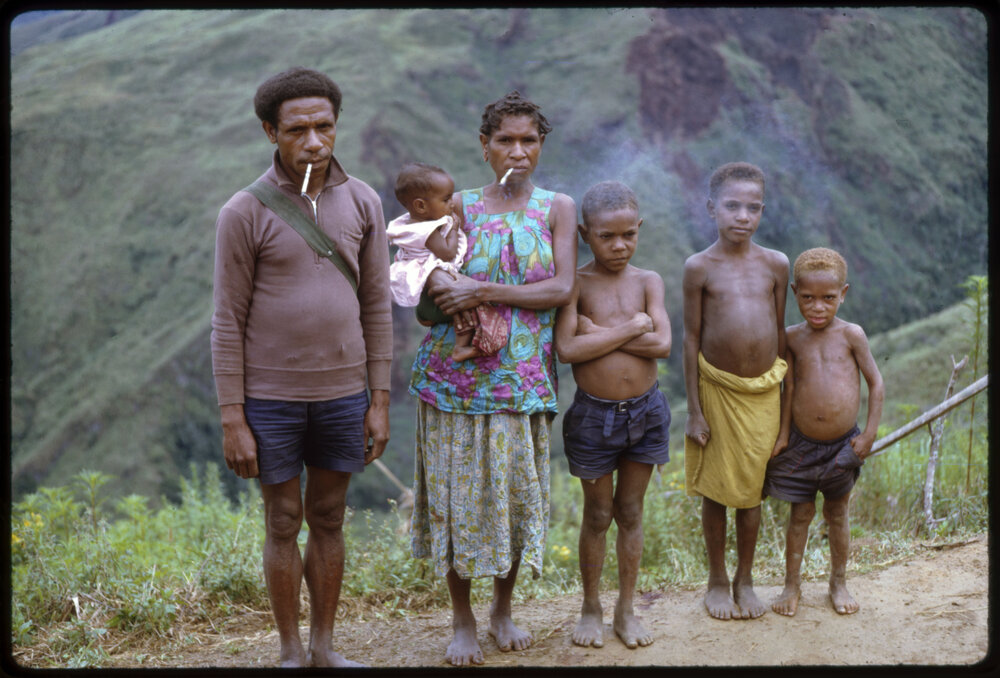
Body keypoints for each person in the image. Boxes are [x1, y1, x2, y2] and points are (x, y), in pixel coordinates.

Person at [210, 67, 392, 668]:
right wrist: (233, 417)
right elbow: (227, 320)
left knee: (330, 516)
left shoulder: (363, 201)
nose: (314, 141)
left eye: (324, 127)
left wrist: (379, 400)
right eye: (297, 130)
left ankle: (324, 648)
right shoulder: (243, 211)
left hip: (344, 394)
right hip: (271, 399)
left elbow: (377, 305)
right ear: (271, 132)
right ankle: (290, 652)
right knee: (283, 519)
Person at [408, 91, 577, 666]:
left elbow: (561, 288)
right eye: (505, 140)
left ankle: (502, 611)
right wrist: (439, 289)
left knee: (513, 498)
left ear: (541, 145)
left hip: (521, 382)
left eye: (529, 140)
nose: (517, 151)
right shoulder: (456, 205)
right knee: (457, 501)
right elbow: (424, 292)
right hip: (454, 382)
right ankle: (462, 620)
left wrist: (481, 290)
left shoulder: (557, 208)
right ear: (485, 146)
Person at [553, 181, 672, 649]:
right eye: (607, 237)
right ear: (585, 234)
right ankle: (590, 607)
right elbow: (567, 349)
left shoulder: (648, 281)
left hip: (647, 411)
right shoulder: (576, 284)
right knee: (599, 514)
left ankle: (625, 609)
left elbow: (662, 344)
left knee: (631, 511)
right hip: (593, 417)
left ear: (639, 228)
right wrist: (632, 326)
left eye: (628, 235)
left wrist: (596, 332)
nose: (619, 246)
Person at [682, 161, 788, 620]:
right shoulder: (699, 268)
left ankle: (746, 579)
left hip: (764, 393)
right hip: (717, 391)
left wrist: (786, 412)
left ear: (762, 211)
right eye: (732, 206)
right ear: (712, 209)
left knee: (753, 489)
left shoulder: (776, 264)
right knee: (716, 490)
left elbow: (781, 334)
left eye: (753, 208)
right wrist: (694, 411)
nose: (743, 216)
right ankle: (717, 580)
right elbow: (690, 338)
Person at [764, 247, 885, 617]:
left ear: (843, 294)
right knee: (800, 515)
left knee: (837, 513)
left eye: (828, 298)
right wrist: (783, 436)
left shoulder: (852, 335)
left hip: (843, 444)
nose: (818, 307)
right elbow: (788, 390)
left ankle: (839, 582)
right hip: (802, 444)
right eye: (808, 298)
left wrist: (869, 435)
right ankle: (791, 585)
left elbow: (876, 383)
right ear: (795, 292)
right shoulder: (791, 338)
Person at [387, 161, 507, 362]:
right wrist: (453, 230)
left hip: (426, 286)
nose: (452, 203)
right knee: (465, 304)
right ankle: (463, 346)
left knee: (461, 307)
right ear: (420, 206)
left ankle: (463, 345)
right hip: (433, 280)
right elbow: (448, 253)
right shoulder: (427, 231)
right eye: (446, 199)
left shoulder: (410, 222)